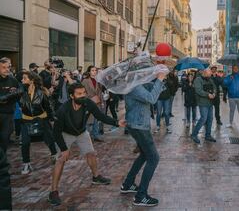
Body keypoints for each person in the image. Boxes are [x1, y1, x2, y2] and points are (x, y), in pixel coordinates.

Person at [48, 82, 125, 206]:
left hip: (81, 132)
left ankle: (96, 177)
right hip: (66, 133)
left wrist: (116, 123)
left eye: (84, 93)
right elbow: (56, 132)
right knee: (61, 159)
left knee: (91, 153)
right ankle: (53, 191)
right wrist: (64, 149)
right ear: (71, 96)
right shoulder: (62, 110)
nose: (83, 96)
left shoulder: (87, 103)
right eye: (79, 94)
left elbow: (100, 116)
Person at [121, 70, 166, 207]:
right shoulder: (134, 86)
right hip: (139, 126)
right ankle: (141, 196)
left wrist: (159, 79)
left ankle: (128, 184)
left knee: (144, 155)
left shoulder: (137, 83)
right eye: (144, 71)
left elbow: (157, 92)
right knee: (153, 158)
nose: (147, 73)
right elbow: (152, 98)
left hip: (137, 124)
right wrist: (158, 80)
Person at [19, 71, 57, 174]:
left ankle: (54, 154)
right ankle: (26, 164)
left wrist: (51, 118)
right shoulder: (21, 91)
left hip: (41, 119)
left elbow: (48, 107)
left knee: (49, 139)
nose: (22, 80)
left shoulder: (42, 92)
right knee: (25, 143)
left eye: (25, 78)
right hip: (26, 120)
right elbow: (11, 97)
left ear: (31, 81)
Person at [0, 57, 22, 152]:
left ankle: (2, 161)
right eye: (3, 67)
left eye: (8, 67)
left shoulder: (13, 80)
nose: (7, 69)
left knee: (5, 138)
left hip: (8, 114)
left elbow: (20, 93)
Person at [191, 68, 217, 144]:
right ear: (204, 73)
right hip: (202, 103)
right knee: (203, 119)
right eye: (209, 75)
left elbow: (214, 87)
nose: (210, 76)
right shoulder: (198, 80)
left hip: (210, 103)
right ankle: (194, 134)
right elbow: (198, 91)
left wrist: (214, 93)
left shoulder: (209, 79)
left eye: (210, 75)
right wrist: (208, 94)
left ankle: (208, 135)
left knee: (210, 119)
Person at [82, 65, 104, 142]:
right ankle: (86, 137)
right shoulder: (85, 81)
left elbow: (100, 92)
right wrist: (90, 98)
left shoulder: (98, 80)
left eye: (95, 70)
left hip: (97, 103)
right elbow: (82, 92)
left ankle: (96, 135)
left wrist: (101, 101)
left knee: (96, 120)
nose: (94, 72)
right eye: (92, 70)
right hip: (89, 102)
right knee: (88, 120)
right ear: (89, 72)